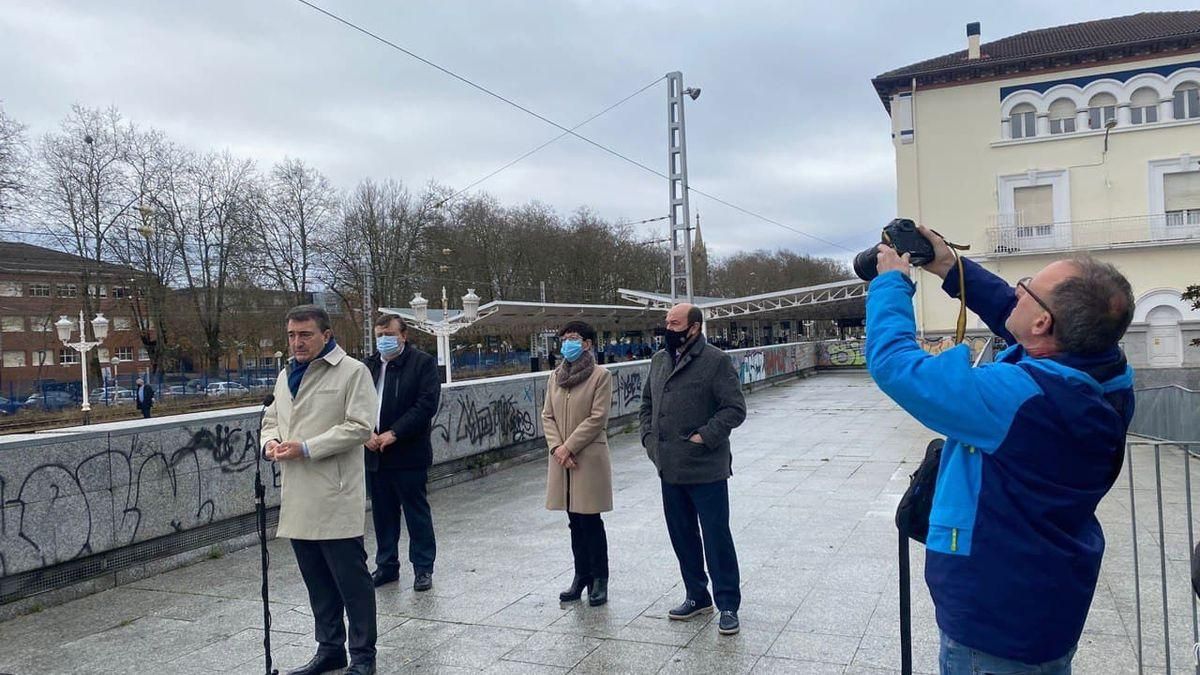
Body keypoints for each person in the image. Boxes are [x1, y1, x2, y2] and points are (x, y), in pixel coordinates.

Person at [865, 226, 1135, 674]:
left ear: (1043, 323)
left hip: (992, 624)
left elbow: (897, 366)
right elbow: (1020, 318)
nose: (1016, 291)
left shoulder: (1021, 399)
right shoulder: (1108, 376)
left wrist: (892, 283)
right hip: (1047, 600)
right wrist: (948, 266)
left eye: (1026, 287)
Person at [261, 305, 379, 675]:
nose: (297, 342)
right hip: (297, 496)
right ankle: (330, 649)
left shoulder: (352, 372)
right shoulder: (285, 375)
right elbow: (271, 419)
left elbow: (360, 426)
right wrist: (270, 443)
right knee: (317, 583)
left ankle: (363, 657)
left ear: (326, 335)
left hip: (334, 493)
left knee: (352, 583)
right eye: (292, 335)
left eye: (305, 334)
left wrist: (306, 447)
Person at [639, 304, 747, 636]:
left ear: (695, 327)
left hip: (706, 468)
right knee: (682, 536)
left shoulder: (715, 361)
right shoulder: (659, 360)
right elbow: (646, 405)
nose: (667, 328)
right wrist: (649, 441)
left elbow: (735, 408)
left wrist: (705, 436)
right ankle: (697, 596)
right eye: (666, 322)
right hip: (668, 467)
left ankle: (727, 603)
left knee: (716, 538)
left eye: (675, 323)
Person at [363, 314, 441, 592]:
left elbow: (426, 405)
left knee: (416, 513)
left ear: (403, 335)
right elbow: (354, 404)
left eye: (389, 334)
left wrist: (394, 433)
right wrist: (366, 434)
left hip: (408, 453)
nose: (383, 340)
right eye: (379, 335)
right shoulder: (368, 366)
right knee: (382, 515)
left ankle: (423, 568)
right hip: (375, 454)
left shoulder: (422, 363)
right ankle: (386, 566)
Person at [542, 321, 614, 607]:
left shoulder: (600, 376)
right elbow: (547, 415)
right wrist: (557, 448)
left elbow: (597, 418)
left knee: (591, 521)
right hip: (562, 459)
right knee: (574, 521)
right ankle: (580, 575)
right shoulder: (555, 377)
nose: (566, 344)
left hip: (587, 458)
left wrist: (569, 447)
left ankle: (600, 578)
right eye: (564, 339)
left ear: (587, 344)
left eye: (573, 338)